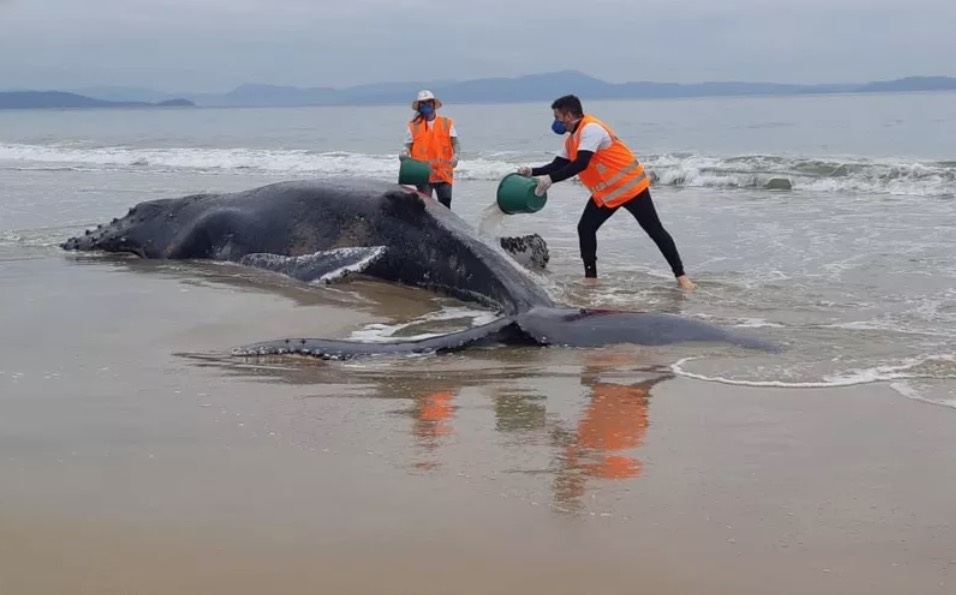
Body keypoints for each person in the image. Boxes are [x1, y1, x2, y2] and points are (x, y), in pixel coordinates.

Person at [517, 94, 695, 290]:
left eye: (557, 117)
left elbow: (582, 162)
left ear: (568, 115)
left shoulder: (591, 129)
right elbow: (557, 164)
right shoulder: (571, 140)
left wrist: (551, 180)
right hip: (608, 195)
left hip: (630, 188)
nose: (556, 123)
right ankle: (591, 279)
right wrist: (532, 172)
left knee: (654, 230)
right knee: (585, 228)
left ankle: (682, 278)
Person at [400, 90, 460, 209]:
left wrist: (456, 155)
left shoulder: (446, 123)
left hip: (443, 172)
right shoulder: (413, 126)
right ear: (419, 107)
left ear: (433, 104)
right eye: (423, 103)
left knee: (445, 206)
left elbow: (455, 143)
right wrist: (404, 153)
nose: (426, 105)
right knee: (425, 208)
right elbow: (407, 145)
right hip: (423, 173)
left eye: (428, 102)